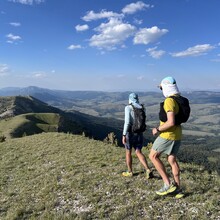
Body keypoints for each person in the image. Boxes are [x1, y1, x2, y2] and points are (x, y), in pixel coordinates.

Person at [149, 76, 184, 196]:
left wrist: (157, 129)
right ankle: (178, 189)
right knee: (172, 160)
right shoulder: (179, 99)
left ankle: (167, 184)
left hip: (167, 134)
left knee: (153, 156)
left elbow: (171, 122)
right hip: (177, 134)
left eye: (162, 88)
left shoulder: (169, 101)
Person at [122, 92, 153, 179]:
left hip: (130, 133)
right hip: (139, 133)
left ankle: (130, 171)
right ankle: (147, 169)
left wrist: (124, 134)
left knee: (128, 152)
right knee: (138, 152)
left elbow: (127, 122)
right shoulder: (142, 108)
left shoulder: (128, 108)